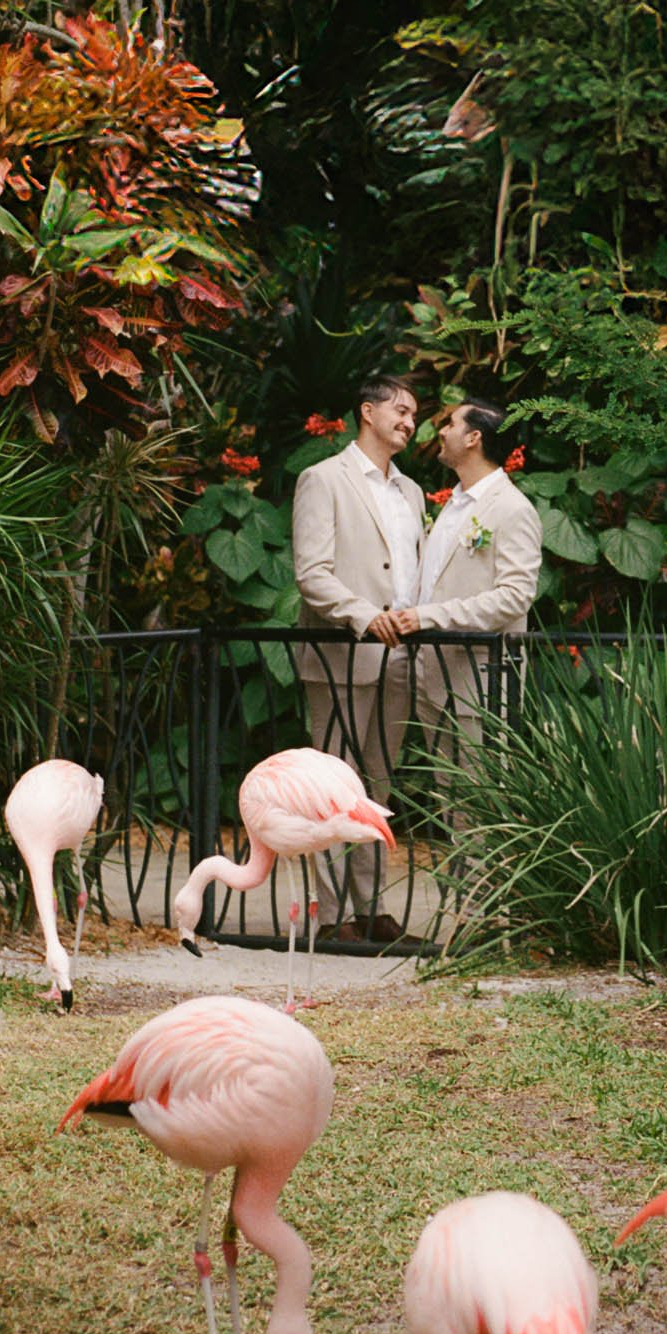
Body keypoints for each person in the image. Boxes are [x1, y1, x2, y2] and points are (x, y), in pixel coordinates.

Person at [290, 374, 424, 938]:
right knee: (331, 787)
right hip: (342, 652)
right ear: (366, 412)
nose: (409, 422)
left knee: (378, 786)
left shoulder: (412, 492)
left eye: (415, 415)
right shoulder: (323, 479)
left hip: (401, 658)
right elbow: (311, 574)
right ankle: (332, 916)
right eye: (400, 409)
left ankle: (370, 911)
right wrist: (364, 615)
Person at [396, 396, 543, 749]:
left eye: (451, 425)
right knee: (446, 798)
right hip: (433, 678)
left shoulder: (512, 509)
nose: (442, 432)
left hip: (480, 686)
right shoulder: (454, 504)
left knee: (482, 801)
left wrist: (428, 617)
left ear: (473, 438)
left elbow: (514, 597)